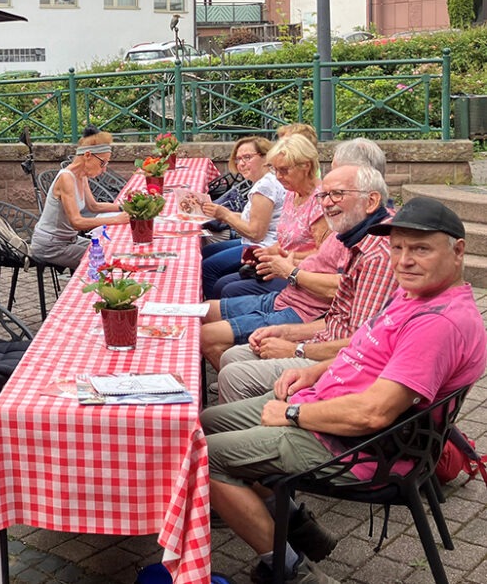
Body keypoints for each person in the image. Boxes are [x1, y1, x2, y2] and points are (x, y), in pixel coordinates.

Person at [202, 196, 485, 584]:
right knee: (202, 422)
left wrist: (291, 414)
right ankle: (300, 529)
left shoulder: (437, 323)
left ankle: (291, 569)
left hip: (357, 446)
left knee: (201, 456)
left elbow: (373, 414)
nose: (403, 260)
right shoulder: (415, 294)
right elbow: (366, 349)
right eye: (398, 247)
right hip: (329, 408)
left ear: (457, 251)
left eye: (420, 248)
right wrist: (315, 371)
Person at [200, 165, 390, 368]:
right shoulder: (345, 227)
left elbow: (343, 301)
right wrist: (281, 258)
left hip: (306, 313)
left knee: (213, 329)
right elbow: (319, 262)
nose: (326, 202)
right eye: (324, 194)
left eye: (337, 194)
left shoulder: (371, 244)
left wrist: (290, 271)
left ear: (305, 167)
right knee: (205, 309)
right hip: (294, 299)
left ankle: (235, 379)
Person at [215, 134, 329, 299]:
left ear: (306, 166)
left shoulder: (321, 201)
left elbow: (324, 255)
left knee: (228, 289)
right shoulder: (292, 193)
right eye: (275, 170)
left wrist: (280, 257)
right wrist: (267, 252)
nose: (278, 176)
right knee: (222, 284)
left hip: (304, 274)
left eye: (283, 170)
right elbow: (285, 239)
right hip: (281, 263)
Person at [28, 132, 129, 270]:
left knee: (112, 248)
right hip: (51, 245)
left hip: (69, 240)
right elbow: (76, 222)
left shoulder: (81, 175)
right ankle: (91, 290)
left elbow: (94, 206)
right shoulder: (66, 178)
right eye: (102, 163)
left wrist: (125, 208)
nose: (104, 169)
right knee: (104, 260)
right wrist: (117, 219)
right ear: (88, 155)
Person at [200, 137, 285, 298]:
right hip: (260, 242)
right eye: (238, 159)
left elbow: (256, 233)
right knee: (206, 251)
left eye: (247, 157)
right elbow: (253, 217)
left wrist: (225, 215)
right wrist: (221, 214)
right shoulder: (265, 181)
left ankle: (214, 310)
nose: (241, 164)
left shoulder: (265, 187)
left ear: (266, 157)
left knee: (207, 269)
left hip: (261, 248)